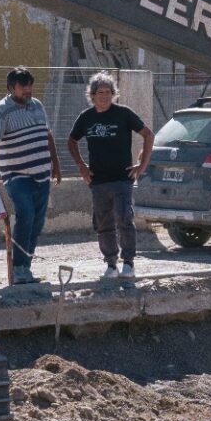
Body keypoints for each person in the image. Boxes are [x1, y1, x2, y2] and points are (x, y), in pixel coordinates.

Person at [68, 72, 153, 280]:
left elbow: (148, 135)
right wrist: (81, 166)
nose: (104, 96)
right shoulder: (86, 117)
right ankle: (111, 265)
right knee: (103, 224)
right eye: (100, 92)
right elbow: (71, 141)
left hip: (122, 179)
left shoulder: (123, 114)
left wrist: (142, 165)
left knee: (124, 219)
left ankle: (129, 263)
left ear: (113, 94)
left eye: (107, 92)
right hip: (98, 181)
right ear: (92, 95)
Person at [0, 66, 61, 284]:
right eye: (23, 86)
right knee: (25, 215)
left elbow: (47, 134)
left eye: (30, 85)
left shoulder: (37, 106)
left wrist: (55, 163)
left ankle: (26, 267)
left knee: (37, 222)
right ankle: (17, 268)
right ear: (11, 88)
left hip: (42, 174)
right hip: (16, 176)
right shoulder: (1, 110)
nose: (28, 90)